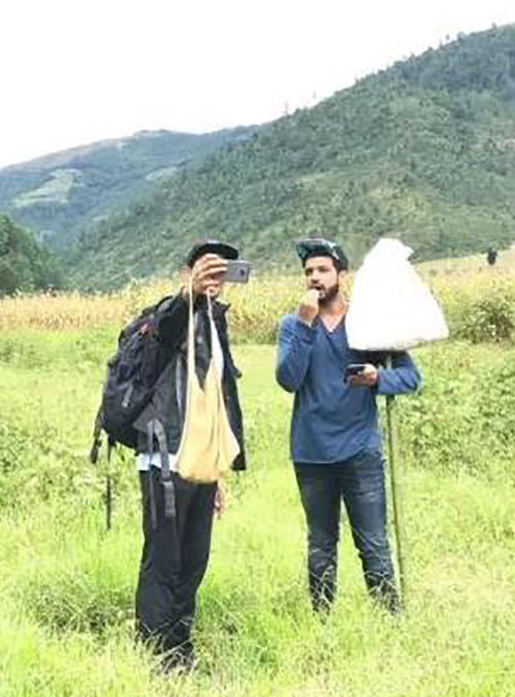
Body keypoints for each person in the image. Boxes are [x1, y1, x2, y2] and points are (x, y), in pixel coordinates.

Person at [276, 238, 421, 614]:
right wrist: (306, 325)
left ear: (342, 275)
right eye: (309, 272)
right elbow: (288, 379)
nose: (315, 278)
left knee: (373, 542)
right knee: (321, 544)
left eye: (323, 270)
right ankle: (322, 622)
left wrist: (377, 378)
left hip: (360, 450)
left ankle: (390, 620)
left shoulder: (367, 321)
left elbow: (410, 377)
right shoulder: (293, 324)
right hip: (311, 453)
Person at [135, 240, 246, 670]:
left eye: (221, 270)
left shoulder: (216, 325)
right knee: (165, 560)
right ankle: (153, 654)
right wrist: (191, 294)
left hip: (201, 463)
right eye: (206, 269)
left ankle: (180, 649)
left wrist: (219, 474)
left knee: (194, 560)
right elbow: (167, 324)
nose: (214, 277)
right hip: (165, 457)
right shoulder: (169, 313)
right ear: (189, 273)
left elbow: (214, 404)